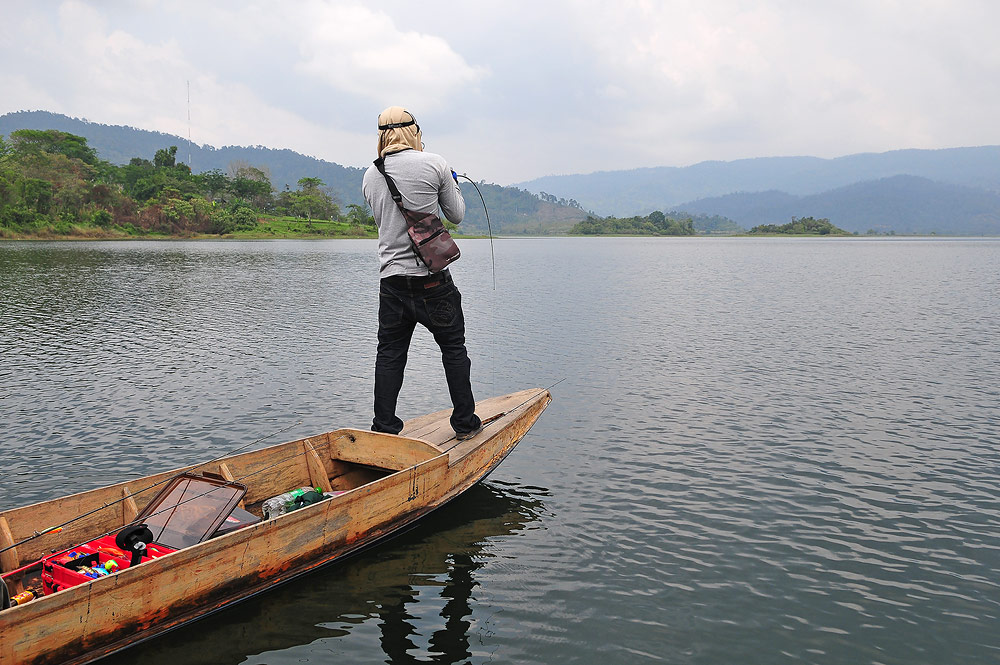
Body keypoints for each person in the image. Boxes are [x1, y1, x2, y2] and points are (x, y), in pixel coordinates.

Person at [362, 106, 482, 440]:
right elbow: (455, 215)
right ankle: (464, 424)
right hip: (431, 281)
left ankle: (384, 428)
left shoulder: (371, 175)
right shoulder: (435, 164)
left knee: (389, 354)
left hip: (391, 283)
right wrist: (453, 184)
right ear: (413, 131)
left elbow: (384, 222)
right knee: (453, 349)